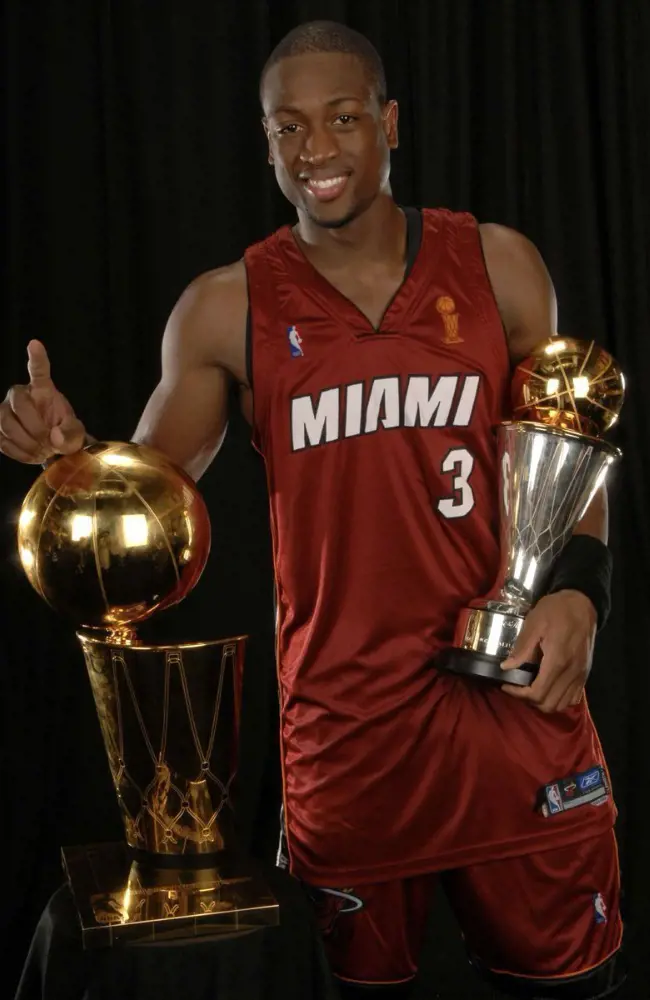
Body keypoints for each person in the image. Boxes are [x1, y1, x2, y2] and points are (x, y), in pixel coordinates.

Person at [0, 20, 624, 1000]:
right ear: (264, 143)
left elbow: (565, 447)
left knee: (569, 990)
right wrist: (70, 455)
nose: (315, 150)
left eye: (339, 119)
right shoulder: (224, 307)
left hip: (514, 720)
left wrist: (580, 593)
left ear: (388, 123)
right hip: (347, 744)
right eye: (287, 128)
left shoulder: (498, 266)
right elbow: (147, 500)